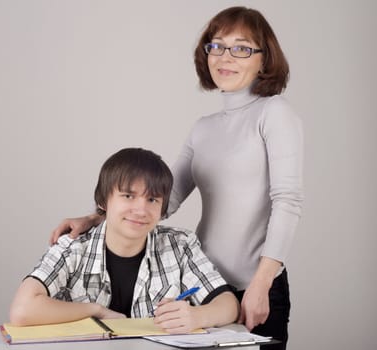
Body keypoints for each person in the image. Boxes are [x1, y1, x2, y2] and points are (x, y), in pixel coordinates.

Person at [49, 7, 303, 349]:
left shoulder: (274, 113)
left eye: (242, 47)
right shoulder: (204, 128)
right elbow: (163, 200)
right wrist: (95, 217)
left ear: (263, 58)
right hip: (204, 289)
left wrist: (261, 284)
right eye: (217, 46)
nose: (225, 57)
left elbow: (287, 201)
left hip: (254, 287)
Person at [10, 148, 239, 333]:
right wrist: (96, 311)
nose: (141, 210)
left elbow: (228, 305)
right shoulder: (72, 247)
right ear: (103, 201)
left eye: (152, 199)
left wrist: (196, 316)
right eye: (128, 196)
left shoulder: (180, 245)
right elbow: (22, 309)